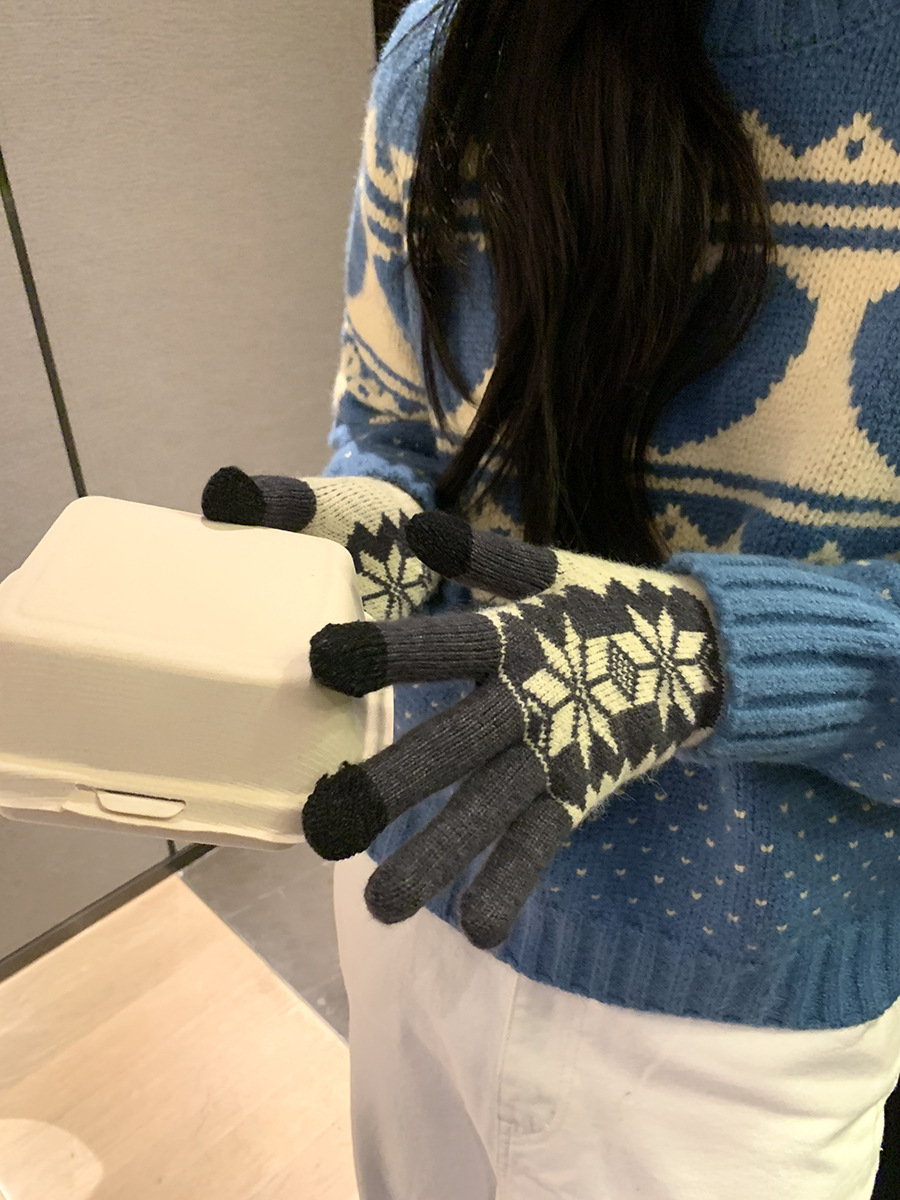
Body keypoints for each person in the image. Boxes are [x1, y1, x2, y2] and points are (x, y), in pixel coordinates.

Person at [200, 0, 900, 1195]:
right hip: (412, 871)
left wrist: (718, 657)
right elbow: (387, 417)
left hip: (732, 1009)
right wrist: (373, 532)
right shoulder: (443, 46)